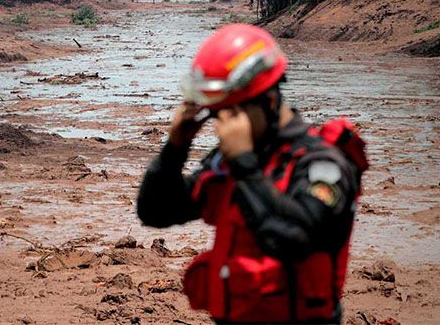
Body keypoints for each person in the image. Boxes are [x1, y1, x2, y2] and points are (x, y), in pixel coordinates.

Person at [137, 24, 367, 324]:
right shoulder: (230, 159)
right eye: (216, 114)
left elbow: (296, 236)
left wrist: (245, 165)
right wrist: (175, 147)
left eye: (231, 113)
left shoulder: (323, 164)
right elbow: (156, 212)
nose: (222, 126)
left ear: (269, 99)